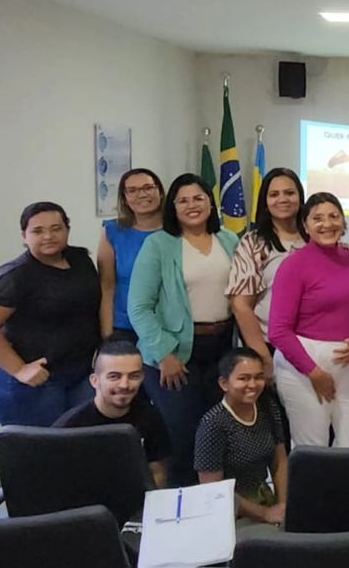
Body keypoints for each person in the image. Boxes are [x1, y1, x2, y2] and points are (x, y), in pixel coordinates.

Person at [128, 173, 239, 486]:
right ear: (172, 207)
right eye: (183, 200)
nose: (192, 205)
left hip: (222, 350)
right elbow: (139, 307)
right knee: (184, 438)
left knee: (219, 434)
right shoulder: (159, 245)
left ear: (210, 202)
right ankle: (184, 511)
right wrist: (165, 353)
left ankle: (220, 506)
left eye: (199, 198)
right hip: (174, 355)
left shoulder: (229, 239)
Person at [0, 202, 100, 427]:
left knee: (80, 448)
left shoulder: (80, 260)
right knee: (42, 453)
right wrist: (20, 369)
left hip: (80, 374)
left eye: (56, 228)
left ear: (67, 230)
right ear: (24, 235)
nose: (48, 236)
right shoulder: (13, 277)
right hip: (34, 383)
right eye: (37, 231)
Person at [269, 193, 349, 448]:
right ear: (305, 225)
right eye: (318, 218)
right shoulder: (294, 265)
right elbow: (278, 331)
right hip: (304, 370)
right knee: (312, 450)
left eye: (333, 216)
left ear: (344, 222)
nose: (327, 224)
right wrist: (314, 372)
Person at [54, 340, 172, 488]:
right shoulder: (69, 426)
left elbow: (158, 472)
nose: (124, 385)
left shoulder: (150, 416)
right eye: (114, 377)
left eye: (133, 376)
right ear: (95, 381)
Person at [227, 168, 309, 376]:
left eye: (289, 193)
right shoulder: (253, 243)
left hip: (314, 346)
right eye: (274, 194)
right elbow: (241, 306)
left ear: (300, 197)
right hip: (270, 347)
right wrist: (263, 357)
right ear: (265, 201)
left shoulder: (316, 240)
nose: (283, 199)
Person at [196, 348, 287, 527]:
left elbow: (280, 461)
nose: (253, 385)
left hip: (265, 498)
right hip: (230, 510)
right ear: (224, 383)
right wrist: (265, 514)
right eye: (244, 378)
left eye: (258, 377)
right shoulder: (212, 424)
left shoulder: (268, 407)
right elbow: (212, 488)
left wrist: (284, 505)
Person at [98, 168, 164, 340]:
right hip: (125, 326)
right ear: (124, 198)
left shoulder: (177, 231)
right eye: (132, 190)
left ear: (160, 192)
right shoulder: (112, 231)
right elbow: (107, 287)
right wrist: (107, 336)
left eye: (148, 188)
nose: (141, 195)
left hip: (169, 326)